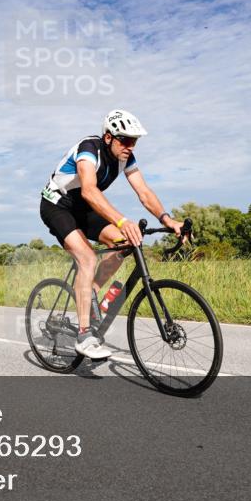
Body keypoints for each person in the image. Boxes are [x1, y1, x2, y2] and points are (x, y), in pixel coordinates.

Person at [40, 110, 186, 359]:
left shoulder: (126, 158)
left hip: (84, 210)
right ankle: (84, 336)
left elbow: (144, 192)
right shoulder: (89, 149)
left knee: (126, 242)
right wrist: (120, 219)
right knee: (87, 258)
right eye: (125, 140)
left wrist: (167, 219)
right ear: (108, 137)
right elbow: (88, 190)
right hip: (58, 206)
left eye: (134, 141)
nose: (130, 146)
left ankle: (91, 290)